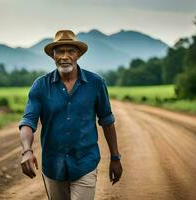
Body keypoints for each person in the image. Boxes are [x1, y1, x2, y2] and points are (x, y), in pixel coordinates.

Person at [18, 30, 123, 200]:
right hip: (53, 166)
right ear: (53, 55)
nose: (65, 56)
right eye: (60, 51)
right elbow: (28, 122)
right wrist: (27, 151)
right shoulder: (40, 86)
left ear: (78, 55)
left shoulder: (96, 83)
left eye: (70, 51)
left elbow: (107, 121)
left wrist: (115, 157)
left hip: (85, 164)